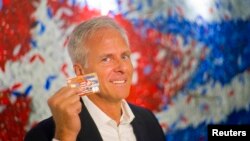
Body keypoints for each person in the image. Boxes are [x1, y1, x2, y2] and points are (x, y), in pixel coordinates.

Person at [24, 16, 166, 141]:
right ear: (80, 72)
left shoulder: (148, 121)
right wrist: (66, 135)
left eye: (124, 56)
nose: (122, 68)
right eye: (106, 59)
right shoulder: (43, 134)